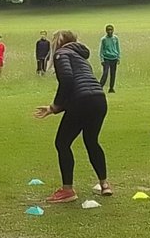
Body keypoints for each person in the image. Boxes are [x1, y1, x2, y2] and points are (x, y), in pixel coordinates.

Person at [35, 30, 110, 203]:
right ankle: (104, 184)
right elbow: (81, 87)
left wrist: (55, 105)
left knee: (62, 143)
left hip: (81, 102)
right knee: (91, 141)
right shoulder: (80, 56)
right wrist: (54, 109)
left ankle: (67, 190)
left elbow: (68, 81)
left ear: (61, 40)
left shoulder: (61, 54)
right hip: (98, 99)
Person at [98, 25, 121, 93]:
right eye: (108, 30)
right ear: (106, 31)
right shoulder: (104, 39)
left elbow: (118, 48)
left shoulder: (115, 38)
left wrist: (118, 57)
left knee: (113, 74)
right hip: (106, 58)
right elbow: (101, 50)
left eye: (111, 30)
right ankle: (100, 87)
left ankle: (111, 88)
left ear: (113, 30)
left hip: (114, 58)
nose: (110, 31)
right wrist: (102, 59)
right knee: (105, 73)